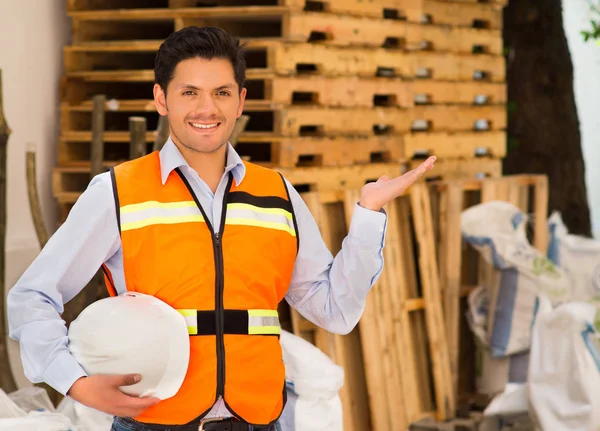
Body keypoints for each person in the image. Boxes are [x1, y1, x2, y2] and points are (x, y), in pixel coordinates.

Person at [7, 26, 435, 431]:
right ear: (161, 99)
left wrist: (368, 213)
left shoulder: (277, 193)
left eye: (221, 93)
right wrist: (76, 383)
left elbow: (335, 311)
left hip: (258, 420)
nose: (206, 108)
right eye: (189, 92)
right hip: (154, 423)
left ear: (241, 100)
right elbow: (31, 297)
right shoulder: (118, 191)